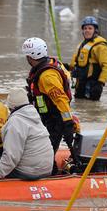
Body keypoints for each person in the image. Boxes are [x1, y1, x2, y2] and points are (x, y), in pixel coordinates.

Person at [22, 37, 79, 166]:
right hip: (48, 116)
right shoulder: (53, 63)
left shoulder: (47, 76)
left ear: (31, 57)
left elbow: (61, 99)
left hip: (54, 118)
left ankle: (47, 170)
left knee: (47, 150)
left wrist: (68, 121)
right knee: (47, 147)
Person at [0, 88, 53, 181]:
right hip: (46, 169)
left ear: (10, 106)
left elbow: (11, 156)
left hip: (28, 172)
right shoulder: (34, 116)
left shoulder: (15, 122)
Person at [69, 16, 107, 101]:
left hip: (92, 86)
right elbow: (75, 65)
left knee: (92, 109)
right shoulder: (82, 45)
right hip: (80, 84)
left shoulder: (100, 46)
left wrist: (100, 83)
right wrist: (65, 66)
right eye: (85, 28)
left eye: (90, 28)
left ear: (95, 30)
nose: (87, 30)